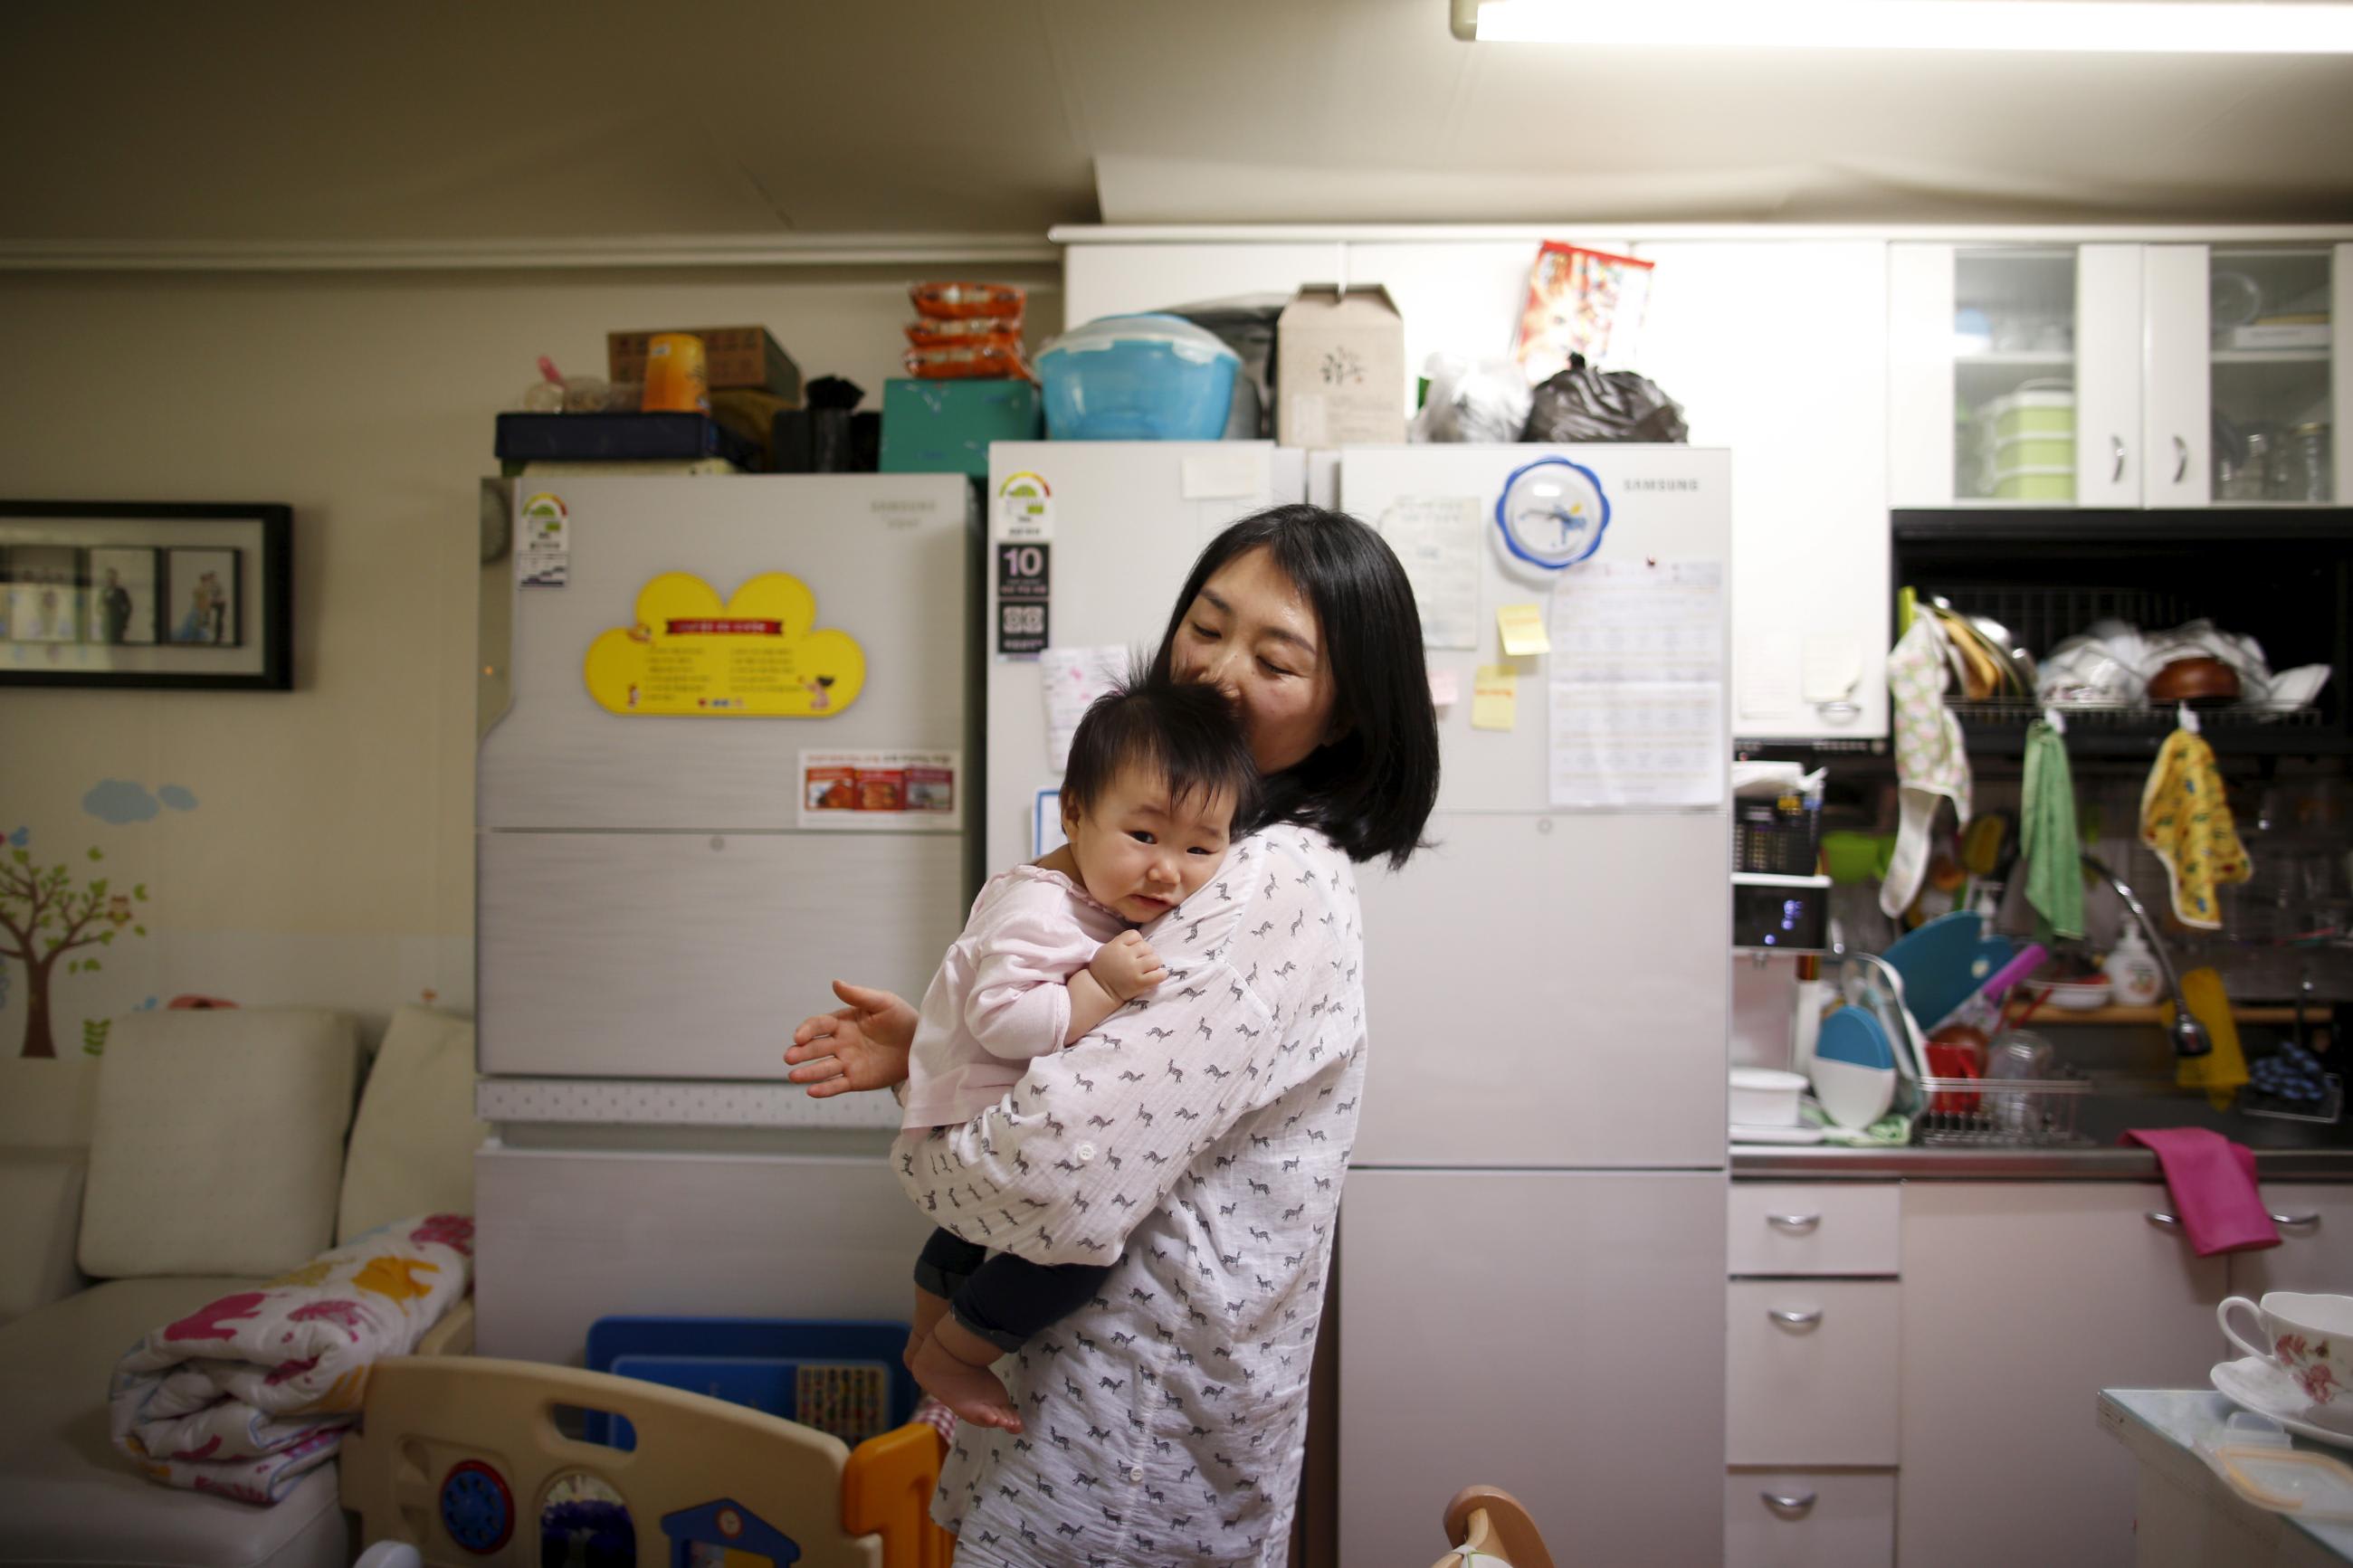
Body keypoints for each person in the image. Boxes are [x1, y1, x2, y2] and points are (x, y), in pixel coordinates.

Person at [787, 504, 1440, 1567]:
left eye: (1274, 659)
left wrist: (926, 1138)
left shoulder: (1268, 883)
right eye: (1206, 624)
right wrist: (936, 1053)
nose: (1218, 671)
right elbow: (1114, 1085)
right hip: (1093, 1423)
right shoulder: (1210, 856)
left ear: (1346, 717)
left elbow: (1054, 1175)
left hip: (1125, 1451)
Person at [900, 673, 1259, 1434]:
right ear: (1074, 811)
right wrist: (1097, 986)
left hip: (969, 1118)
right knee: (1078, 1249)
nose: (1170, 870)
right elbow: (1002, 1018)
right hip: (972, 1122)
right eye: (1145, 836)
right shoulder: (1040, 908)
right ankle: (952, 1354)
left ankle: (925, 1332)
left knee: (973, 1235)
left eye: (1202, 846)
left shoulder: (1083, 896)